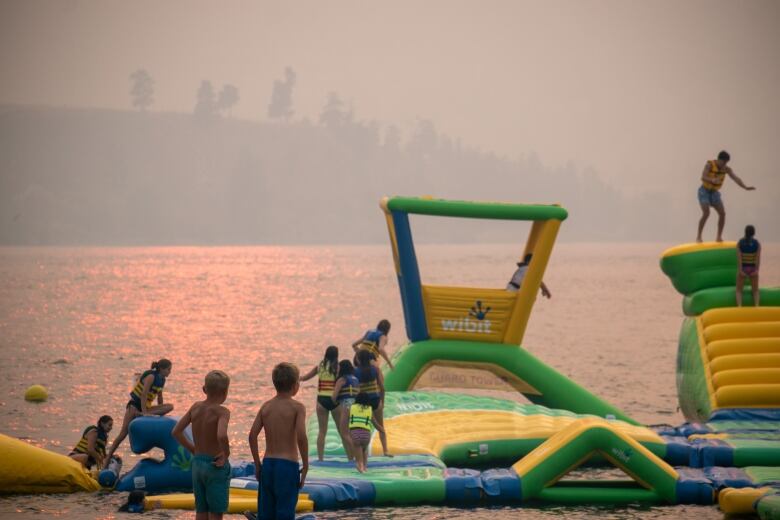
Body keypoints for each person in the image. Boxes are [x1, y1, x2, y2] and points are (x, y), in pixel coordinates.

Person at [248, 362, 309, 520]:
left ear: (275, 384)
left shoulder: (266, 406)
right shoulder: (297, 407)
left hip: (268, 465)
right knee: (285, 512)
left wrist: (257, 464)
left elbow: (252, 435)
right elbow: (301, 436)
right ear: (295, 385)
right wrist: (306, 464)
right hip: (287, 466)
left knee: (266, 513)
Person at [172, 370, 232, 520]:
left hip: (197, 464)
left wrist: (193, 449)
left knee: (201, 510)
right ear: (225, 392)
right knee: (216, 512)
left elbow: (176, 431)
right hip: (214, 465)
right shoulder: (222, 412)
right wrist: (226, 454)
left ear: (204, 389)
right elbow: (222, 435)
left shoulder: (195, 407)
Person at [105, 359, 173, 461]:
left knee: (170, 407)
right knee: (123, 434)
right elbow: (143, 395)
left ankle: (141, 414)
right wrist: (145, 413)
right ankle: (107, 458)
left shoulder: (162, 380)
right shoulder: (151, 376)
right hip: (135, 406)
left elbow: (160, 398)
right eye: (168, 369)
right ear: (161, 369)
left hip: (145, 409)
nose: (170, 372)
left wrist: (161, 414)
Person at [696, 150, 756, 243]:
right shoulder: (709, 165)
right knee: (706, 213)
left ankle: (718, 237)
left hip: (715, 193)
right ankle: (699, 237)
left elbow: (736, 178)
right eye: (724, 162)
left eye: (726, 162)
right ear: (719, 159)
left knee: (722, 213)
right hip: (704, 191)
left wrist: (745, 187)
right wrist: (712, 180)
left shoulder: (726, 169)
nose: (725, 164)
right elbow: (703, 177)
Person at [299, 346, 342, 461]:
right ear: (336, 355)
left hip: (321, 400)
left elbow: (305, 377)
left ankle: (320, 459)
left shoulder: (320, 366)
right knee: (341, 430)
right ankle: (350, 457)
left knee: (322, 431)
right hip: (334, 400)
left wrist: (296, 378)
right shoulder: (338, 368)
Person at [354, 349, 391, 457]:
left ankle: (362, 453)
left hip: (363, 402)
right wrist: (382, 402)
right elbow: (382, 388)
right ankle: (385, 450)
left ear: (359, 359)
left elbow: (356, 390)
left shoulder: (356, 372)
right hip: (375, 401)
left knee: (363, 428)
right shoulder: (375, 370)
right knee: (380, 427)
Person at [331, 359, 359, 459]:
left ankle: (356, 455)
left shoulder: (342, 380)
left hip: (346, 406)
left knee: (344, 433)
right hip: (356, 407)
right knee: (351, 433)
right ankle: (352, 456)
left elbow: (334, 396)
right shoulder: (355, 379)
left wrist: (335, 401)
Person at [348, 393, 376, 473]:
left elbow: (347, 419)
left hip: (355, 432)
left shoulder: (352, 407)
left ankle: (359, 465)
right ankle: (365, 467)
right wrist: (381, 429)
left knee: (358, 449)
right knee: (364, 450)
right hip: (366, 434)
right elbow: (374, 422)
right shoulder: (370, 409)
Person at [736, 225, 761, 307]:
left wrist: (740, 270)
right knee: (755, 290)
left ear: (745, 232)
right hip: (753, 268)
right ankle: (757, 306)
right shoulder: (757, 244)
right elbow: (757, 258)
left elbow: (739, 258)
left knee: (739, 290)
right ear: (754, 233)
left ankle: (739, 306)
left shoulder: (740, 243)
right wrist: (756, 270)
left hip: (743, 268)